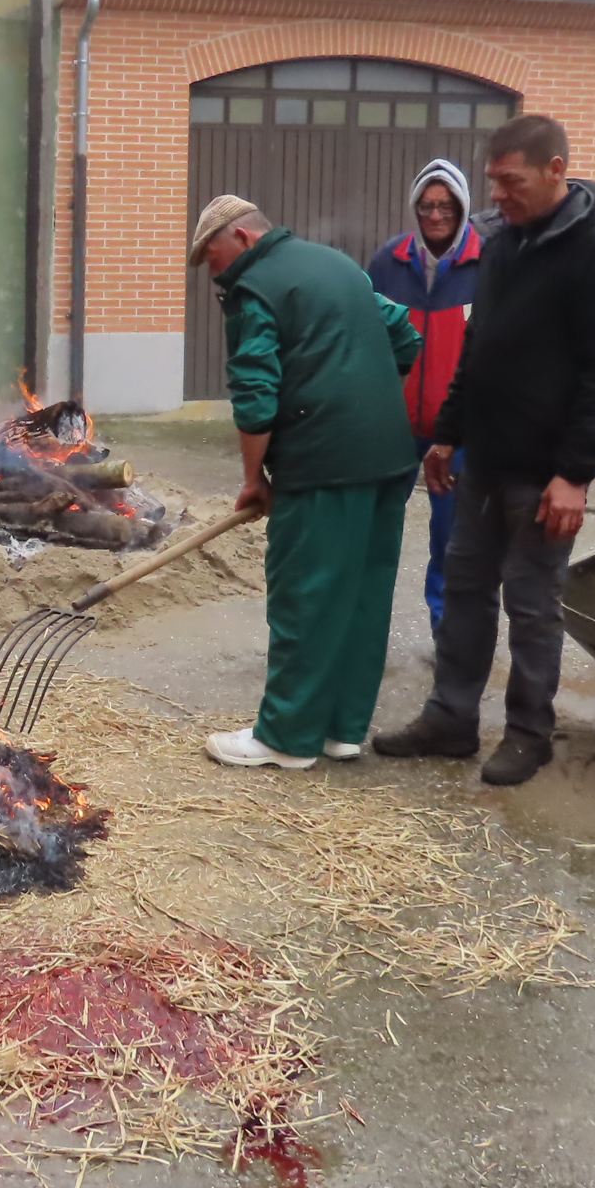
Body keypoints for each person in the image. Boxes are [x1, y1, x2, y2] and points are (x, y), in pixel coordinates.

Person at [371, 115, 595, 786]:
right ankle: (451, 719)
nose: (496, 195)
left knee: (532, 605)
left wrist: (575, 476)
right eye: (492, 181)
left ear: (556, 170)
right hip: (482, 463)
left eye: (509, 181)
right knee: (465, 593)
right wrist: (448, 433)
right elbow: (478, 349)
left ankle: (529, 732)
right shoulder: (501, 247)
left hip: (544, 474)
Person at [191, 194, 422, 771]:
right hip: (390, 457)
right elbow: (404, 337)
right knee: (363, 595)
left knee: (305, 594)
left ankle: (288, 738)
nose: (214, 274)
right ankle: (340, 730)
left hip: (322, 465)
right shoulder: (338, 265)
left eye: (213, 259)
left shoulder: (254, 286)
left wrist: (253, 480)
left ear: (242, 240)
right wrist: (359, 392)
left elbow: (255, 393)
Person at [369, 160, 483, 634]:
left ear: (461, 208)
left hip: (457, 433)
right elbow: (366, 338)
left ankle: (447, 631)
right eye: (426, 206)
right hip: (394, 426)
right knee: (375, 531)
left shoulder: (488, 262)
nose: (435, 215)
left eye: (445, 206)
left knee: (452, 537)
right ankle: (366, 624)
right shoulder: (388, 261)